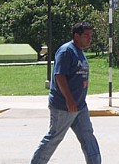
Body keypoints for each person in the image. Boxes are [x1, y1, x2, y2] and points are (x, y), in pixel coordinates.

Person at [31, 22, 101, 164]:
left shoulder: (79, 51)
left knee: (88, 137)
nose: (89, 39)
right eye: (86, 36)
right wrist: (69, 99)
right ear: (76, 35)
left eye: (90, 36)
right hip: (64, 106)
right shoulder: (66, 51)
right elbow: (59, 76)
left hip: (80, 106)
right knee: (54, 137)